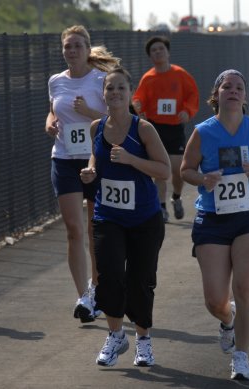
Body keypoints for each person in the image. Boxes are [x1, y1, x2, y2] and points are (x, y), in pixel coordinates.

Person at [180, 69, 249, 380]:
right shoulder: (203, 131)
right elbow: (185, 169)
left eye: (239, 87)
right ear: (217, 95)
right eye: (227, 86)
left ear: (246, 97)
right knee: (215, 300)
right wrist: (203, 179)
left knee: (245, 285)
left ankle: (241, 356)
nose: (233, 91)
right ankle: (228, 319)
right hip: (212, 218)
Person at [80, 66, 170, 367]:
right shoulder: (96, 127)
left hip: (144, 218)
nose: (115, 93)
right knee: (109, 275)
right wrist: (92, 170)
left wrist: (132, 159)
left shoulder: (142, 129)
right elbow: (97, 154)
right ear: (102, 94)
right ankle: (116, 335)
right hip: (109, 216)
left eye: (120, 88)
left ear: (130, 93)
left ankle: (143, 341)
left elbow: (164, 170)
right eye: (109, 88)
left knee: (140, 281)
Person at [45, 25, 120, 323]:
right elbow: (53, 110)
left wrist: (91, 113)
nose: (72, 51)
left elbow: (117, 119)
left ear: (88, 49)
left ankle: (97, 287)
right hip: (64, 160)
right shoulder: (55, 81)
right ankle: (83, 297)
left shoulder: (101, 80)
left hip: (96, 161)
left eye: (77, 45)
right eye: (67, 46)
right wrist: (49, 123)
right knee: (74, 229)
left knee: (94, 230)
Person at [132, 35, 199, 223]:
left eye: (161, 48)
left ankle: (176, 197)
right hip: (155, 128)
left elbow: (192, 95)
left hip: (175, 127)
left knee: (177, 170)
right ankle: (161, 207)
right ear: (150, 56)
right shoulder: (148, 78)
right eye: (154, 50)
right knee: (160, 169)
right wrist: (137, 106)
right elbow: (139, 99)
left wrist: (187, 111)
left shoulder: (181, 75)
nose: (158, 52)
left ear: (168, 52)